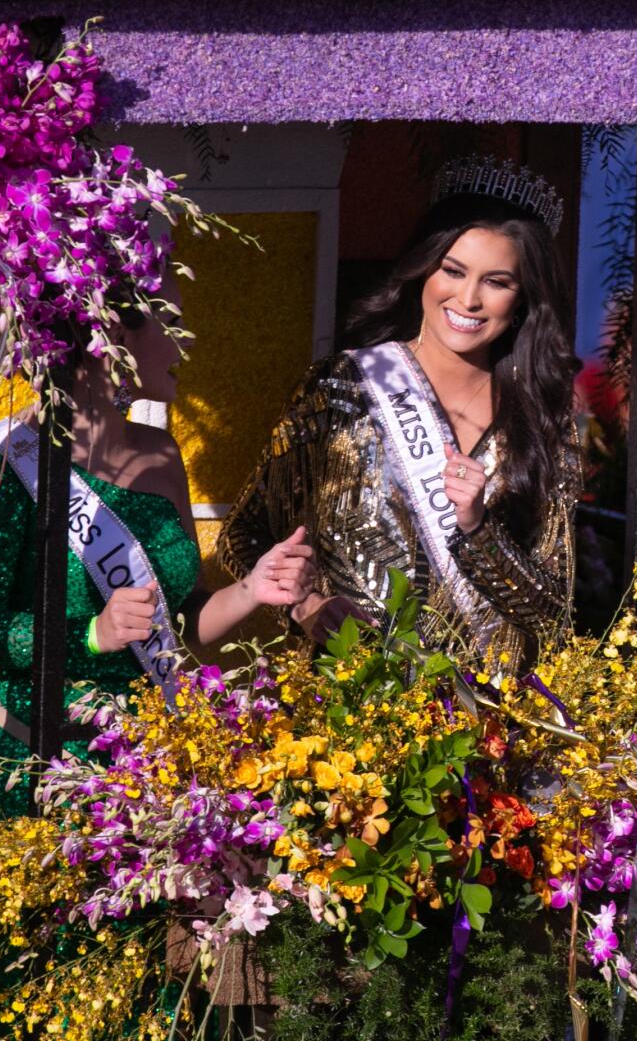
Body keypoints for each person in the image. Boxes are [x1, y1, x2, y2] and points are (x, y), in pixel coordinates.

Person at [0, 298, 314, 1041]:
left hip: (145, 789)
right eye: (159, 320)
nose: (179, 340)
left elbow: (182, 629)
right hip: (42, 774)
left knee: (146, 1029)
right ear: (104, 342)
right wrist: (90, 638)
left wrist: (251, 592)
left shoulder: (161, 460)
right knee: (54, 1035)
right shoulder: (4, 462)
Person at [220, 156, 582, 669]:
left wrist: (479, 528)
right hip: (349, 705)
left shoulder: (543, 420)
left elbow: (552, 614)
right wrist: (303, 605)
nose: (469, 298)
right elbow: (243, 533)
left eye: (497, 282)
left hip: (486, 722)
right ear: (424, 269)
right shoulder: (343, 387)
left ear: (523, 298)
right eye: (453, 271)